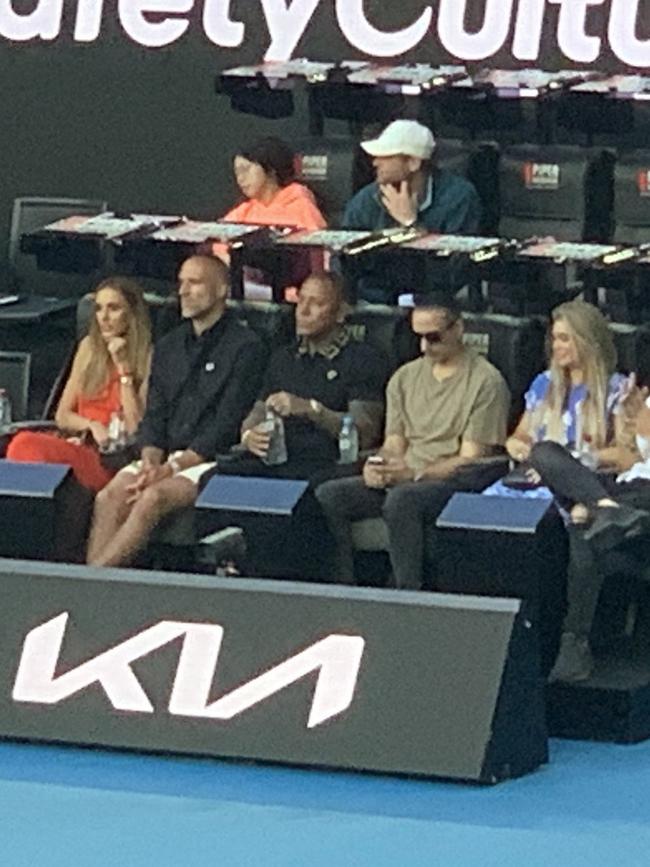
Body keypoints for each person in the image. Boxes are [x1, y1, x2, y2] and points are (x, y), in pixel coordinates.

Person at [482, 299, 647, 681]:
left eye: (564, 339)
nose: (556, 347)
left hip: (584, 483)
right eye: (554, 339)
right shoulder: (544, 384)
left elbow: (626, 456)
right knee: (536, 457)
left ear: (587, 341)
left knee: (555, 472)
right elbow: (519, 437)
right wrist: (521, 450)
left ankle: (568, 639)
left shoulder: (618, 389)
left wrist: (571, 459)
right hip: (537, 478)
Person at [197, 270, 389, 578]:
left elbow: (363, 431)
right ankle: (212, 569)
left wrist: (311, 410)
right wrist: (249, 435)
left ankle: (273, 578)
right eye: (301, 300)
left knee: (290, 495)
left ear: (341, 313)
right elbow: (257, 410)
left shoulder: (362, 359)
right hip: (278, 453)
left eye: (317, 303)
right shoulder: (282, 357)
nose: (304, 310)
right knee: (214, 479)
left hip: (325, 458)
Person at [316, 294, 510, 588]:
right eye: (417, 337)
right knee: (330, 494)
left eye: (433, 338)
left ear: (458, 329)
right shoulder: (404, 377)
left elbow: (471, 458)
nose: (424, 347)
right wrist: (378, 465)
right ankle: (345, 587)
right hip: (404, 476)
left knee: (402, 500)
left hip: (451, 482)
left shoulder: (485, 381)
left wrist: (415, 474)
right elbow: (394, 442)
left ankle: (407, 593)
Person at [86, 255, 265, 568]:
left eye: (194, 283)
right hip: (162, 455)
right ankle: (92, 581)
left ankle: (91, 582)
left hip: (210, 460)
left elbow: (226, 423)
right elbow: (154, 414)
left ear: (222, 289)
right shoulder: (169, 346)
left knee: (152, 498)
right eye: (181, 282)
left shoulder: (246, 347)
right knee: (108, 497)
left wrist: (169, 469)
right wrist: (150, 461)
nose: (182, 291)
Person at [7, 277, 152, 492]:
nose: (104, 317)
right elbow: (62, 415)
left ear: (131, 314)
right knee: (22, 445)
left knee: (25, 446)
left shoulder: (149, 355)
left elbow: (136, 427)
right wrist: (91, 425)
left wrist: (123, 369)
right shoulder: (88, 348)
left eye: (113, 309)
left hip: (112, 459)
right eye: (99, 309)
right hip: (80, 443)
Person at [342, 120, 481, 303]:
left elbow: (455, 272)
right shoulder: (366, 199)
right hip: (375, 299)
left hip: (436, 301)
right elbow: (346, 263)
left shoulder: (459, 197)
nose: (375, 163)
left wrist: (411, 225)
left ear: (413, 162)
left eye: (386, 156)